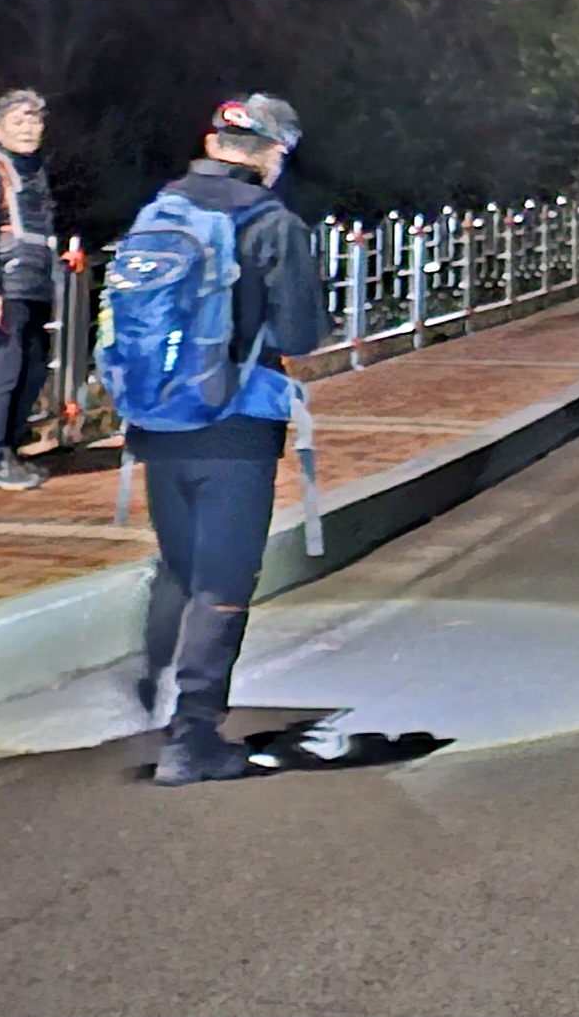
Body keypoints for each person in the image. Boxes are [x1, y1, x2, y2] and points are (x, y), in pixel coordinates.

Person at [129, 93, 327, 787]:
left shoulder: (159, 211)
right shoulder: (273, 222)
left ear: (212, 144)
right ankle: (193, 737)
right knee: (224, 577)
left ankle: (152, 687)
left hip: (157, 420)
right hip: (236, 426)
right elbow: (300, 333)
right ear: (273, 154)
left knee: (181, 565)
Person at [0, 89, 57, 492]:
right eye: (18, 121)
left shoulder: (33, 170)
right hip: (5, 286)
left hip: (34, 285)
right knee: (5, 375)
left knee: (33, 371)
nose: (28, 129)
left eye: (34, 121)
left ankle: (10, 451)